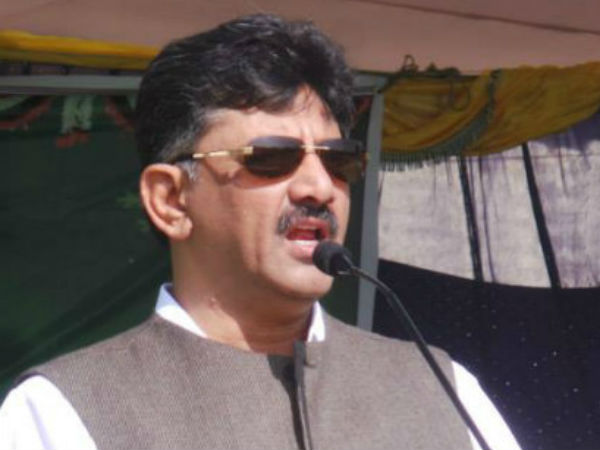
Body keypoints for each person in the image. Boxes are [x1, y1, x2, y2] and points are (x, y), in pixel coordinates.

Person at [0, 13, 521, 450]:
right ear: (171, 201)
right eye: (272, 157)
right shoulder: (63, 412)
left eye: (339, 160)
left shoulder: (442, 390)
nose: (319, 186)